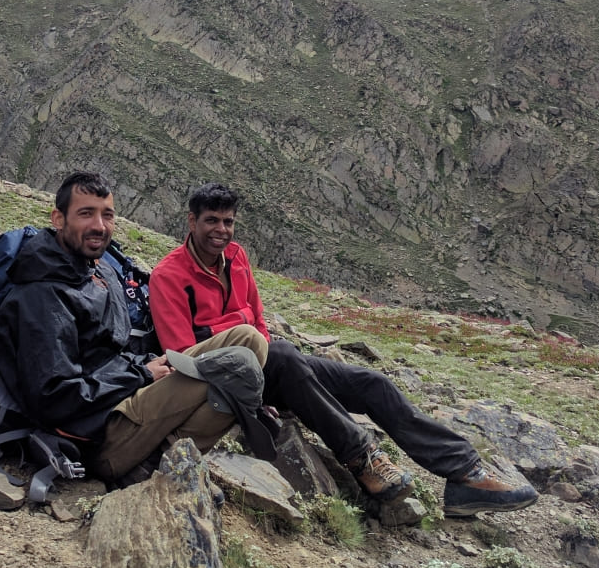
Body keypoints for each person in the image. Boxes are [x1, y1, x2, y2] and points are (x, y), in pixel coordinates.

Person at [149, 182, 539, 518]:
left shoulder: (237, 257)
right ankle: (364, 459)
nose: (221, 230)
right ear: (191, 221)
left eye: (228, 221)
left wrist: (268, 353)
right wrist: (252, 395)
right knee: (284, 354)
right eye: (211, 221)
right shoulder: (169, 276)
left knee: (371, 383)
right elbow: (186, 357)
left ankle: (465, 476)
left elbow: (258, 318)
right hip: (232, 379)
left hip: (276, 364)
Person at [0, 171, 272, 485]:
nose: (99, 226)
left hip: (125, 394)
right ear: (58, 219)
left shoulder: (99, 272)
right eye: (86, 214)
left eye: (107, 215)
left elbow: (114, 349)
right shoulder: (41, 297)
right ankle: (151, 467)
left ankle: (163, 455)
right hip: (97, 434)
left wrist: (144, 366)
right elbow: (55, 399)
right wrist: (141, 375)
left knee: (249, 340)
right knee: (233, 371)